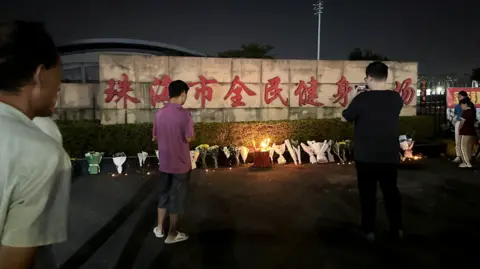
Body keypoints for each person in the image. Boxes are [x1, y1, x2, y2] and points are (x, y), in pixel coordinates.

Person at [0, 21, 71, 269]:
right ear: (39, 74)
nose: (59, 86)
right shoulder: (39, 151)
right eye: (59, 70)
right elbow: (14, 261)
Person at [342, 61, 403, 241]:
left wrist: (352, 97)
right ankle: (397, 228)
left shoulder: (361, 99)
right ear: (385, 77)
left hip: (366, 156)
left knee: (368, 194)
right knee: (391, 192)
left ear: (368, 77)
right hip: (389, 155)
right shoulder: (396, 98)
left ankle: (368, 230)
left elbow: (345, 118)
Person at [152, 80, 193, 244]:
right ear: (182, 94)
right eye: (186, 95)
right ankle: (172, 233)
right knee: (177, 198)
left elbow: (155, 137)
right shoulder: (185, 114)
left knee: (164, 195)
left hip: (165, 163)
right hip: (181, 164)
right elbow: (189, 137)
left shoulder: (159, 113)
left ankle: (160, 228)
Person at [458, 98, 477, 168]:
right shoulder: (472, 111)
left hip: (465, 131)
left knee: (463, 147)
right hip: (471, 131)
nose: (461, 107)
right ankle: (468, 161)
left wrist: (459, 129)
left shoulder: (465, 112)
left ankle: (467, 163)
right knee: (468, 148)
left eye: (461, 105)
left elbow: (462, 123)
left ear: (465, 104)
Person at [453, 91, 469, 163]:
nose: (459, 98)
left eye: (460, 97)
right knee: (458, 140)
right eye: (458, 97)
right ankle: (458, 156)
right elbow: (456, 115)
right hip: (459, 123)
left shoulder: (470, 105)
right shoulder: (457, 106)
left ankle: (467, 156)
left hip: (467, 123)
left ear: (465, 97)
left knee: (466, 141)